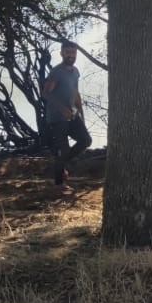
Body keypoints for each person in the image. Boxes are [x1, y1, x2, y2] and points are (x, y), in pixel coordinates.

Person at [41, 41, 92, 194]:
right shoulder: (57, 72)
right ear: (62, 53)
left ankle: (62, 165)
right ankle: (58, 184)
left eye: (73, 53)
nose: (71, 55)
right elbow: (45, 93)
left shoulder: (75, 72)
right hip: (57, 117)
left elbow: (75, 93)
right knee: (63, 150)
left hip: (72, 114)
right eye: (68, 52)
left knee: (86, 140)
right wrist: (62, 108)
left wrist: (81, 113)